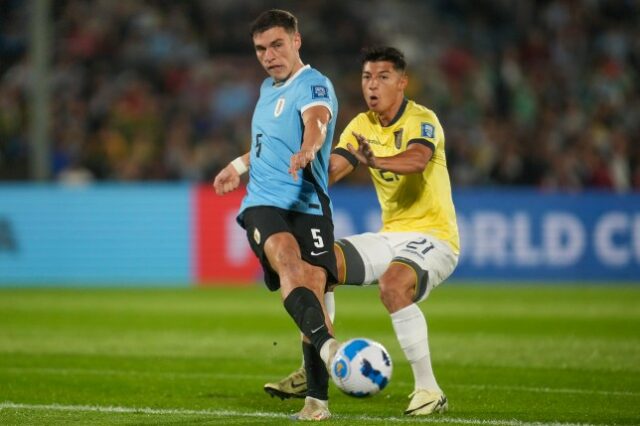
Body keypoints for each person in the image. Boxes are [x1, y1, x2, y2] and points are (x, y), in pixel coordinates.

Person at [263, 46, 460, 416]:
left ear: (402, 83)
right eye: (367, 77)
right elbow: (335, 168)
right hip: (391, 235)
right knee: (317, 265)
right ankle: (315, 364)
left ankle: (429, 390)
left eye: (383, 77)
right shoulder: (361, 125)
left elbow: (417, 160)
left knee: (393, 285)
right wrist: (299, 183)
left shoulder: (422, 119)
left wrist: (375, 160)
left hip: (435, 237)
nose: (373, 85)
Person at [212, 9, 340, 421]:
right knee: (286, 259)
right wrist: (237, 165)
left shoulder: (314, 83)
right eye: (260, 49)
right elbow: (267, 143)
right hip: (264, 202)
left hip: (310, 202)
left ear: (296, 41)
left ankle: (316, 402)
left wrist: (310, 147)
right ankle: (331, 349)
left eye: (277, 45)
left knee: (314, 287)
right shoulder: (267, 89)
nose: (269, 55)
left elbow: (316, 121)